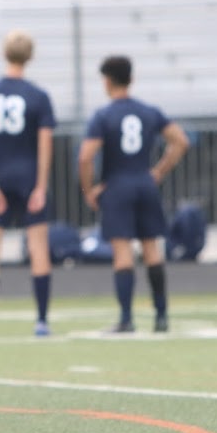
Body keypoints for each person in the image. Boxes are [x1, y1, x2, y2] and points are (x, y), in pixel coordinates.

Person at [78, 55, 191, 333]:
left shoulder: (103, 116)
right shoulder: (149, 111)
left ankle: (126, 318)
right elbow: (180, 141)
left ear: (107, 80)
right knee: (152, 248)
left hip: (117, 186)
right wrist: (159, 171)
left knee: (122, 251)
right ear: (131, 78)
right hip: (145, 184)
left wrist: (88, 190)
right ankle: (161, 316)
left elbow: (85, 157)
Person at [0, 30, 56, 339]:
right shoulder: (38, 96)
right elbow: (46, 145)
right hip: (29, 177)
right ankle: (42, 321)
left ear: (5, 54)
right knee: (39, 250)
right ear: (29, 56)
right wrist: (41, 186)